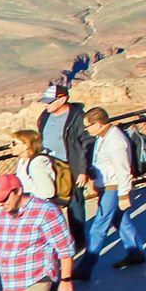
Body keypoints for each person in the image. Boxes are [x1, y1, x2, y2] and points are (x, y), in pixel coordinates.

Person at [80, 108, 145, 272]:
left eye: (88, 126)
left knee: (98, 227)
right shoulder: (103, 137)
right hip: (107, 186)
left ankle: (85, 268)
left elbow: (123, 170)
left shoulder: (115, 141)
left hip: (113, 188)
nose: (86, 130)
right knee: (121, 221)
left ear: (98, 123)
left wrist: (123, 195)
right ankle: (135, 251)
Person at [36, 83, 92, 251]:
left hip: (71, 166)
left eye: (50, 101)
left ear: (63, 99)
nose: (47, 105)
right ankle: (57, 240)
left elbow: (86, 144)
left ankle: (79, 240)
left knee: (75, 204)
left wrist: (83, 170)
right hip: (49, 167)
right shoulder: (45, 116)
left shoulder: (77, 117)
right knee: (50, 203)